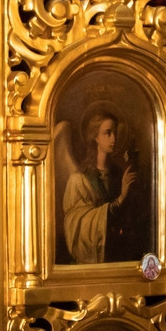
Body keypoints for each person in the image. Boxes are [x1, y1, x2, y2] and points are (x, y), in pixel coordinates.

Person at [59, 106, 141, 264]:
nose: (113, 139)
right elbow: (76, 225)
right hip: (97, 261)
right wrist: (120, 199)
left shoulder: (119, 175)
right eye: (108, 133)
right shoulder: (79, 180)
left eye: (115, 132)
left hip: (120, 257)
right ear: (94, 137)